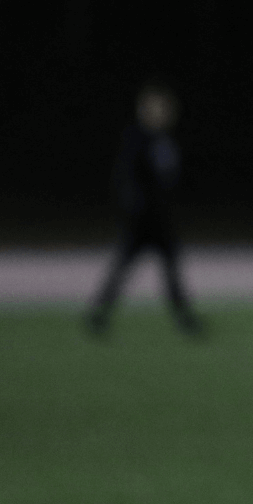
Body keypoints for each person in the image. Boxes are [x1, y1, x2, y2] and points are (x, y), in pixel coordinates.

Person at [85, 82, 202, 337]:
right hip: (141, 220)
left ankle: (184, 319)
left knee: (171, 271)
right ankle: (97, 316)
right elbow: (126, 175)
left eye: (167, 109)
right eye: (158, 108)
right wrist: (132, 207)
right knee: (123, 269)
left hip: (161, 219)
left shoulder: (166, 140)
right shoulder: (136, 138)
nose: (164, 113)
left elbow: (171, 178)